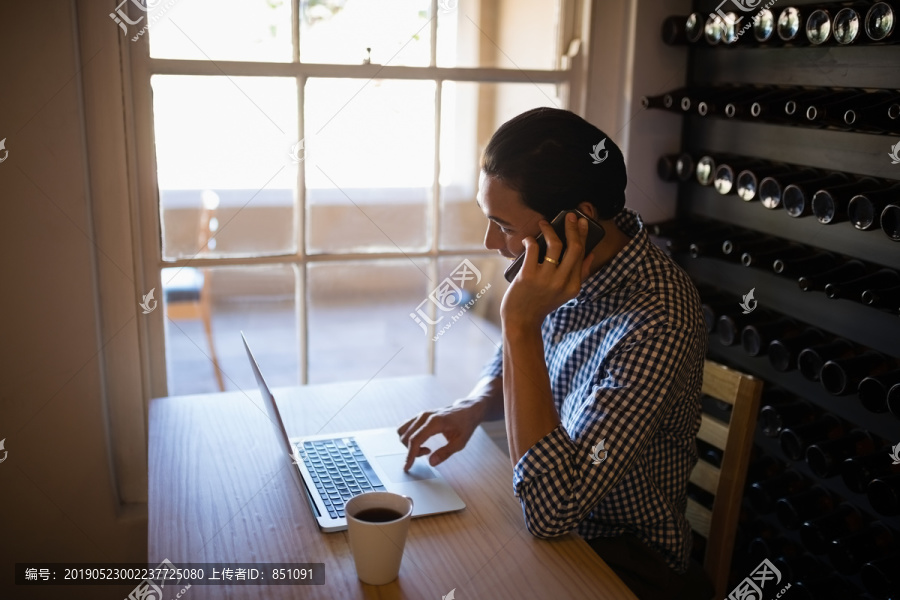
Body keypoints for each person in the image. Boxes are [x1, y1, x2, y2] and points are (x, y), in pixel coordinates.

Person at [397, 107, 711, 600]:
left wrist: (518, 322)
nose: (491, 243)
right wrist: (476, 404)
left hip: (622, 561)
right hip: (554, 532)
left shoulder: (659, 318)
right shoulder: (566, 260)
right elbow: (518, 364)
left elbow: (552, 511)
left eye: (503, 225)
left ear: (578, 221)